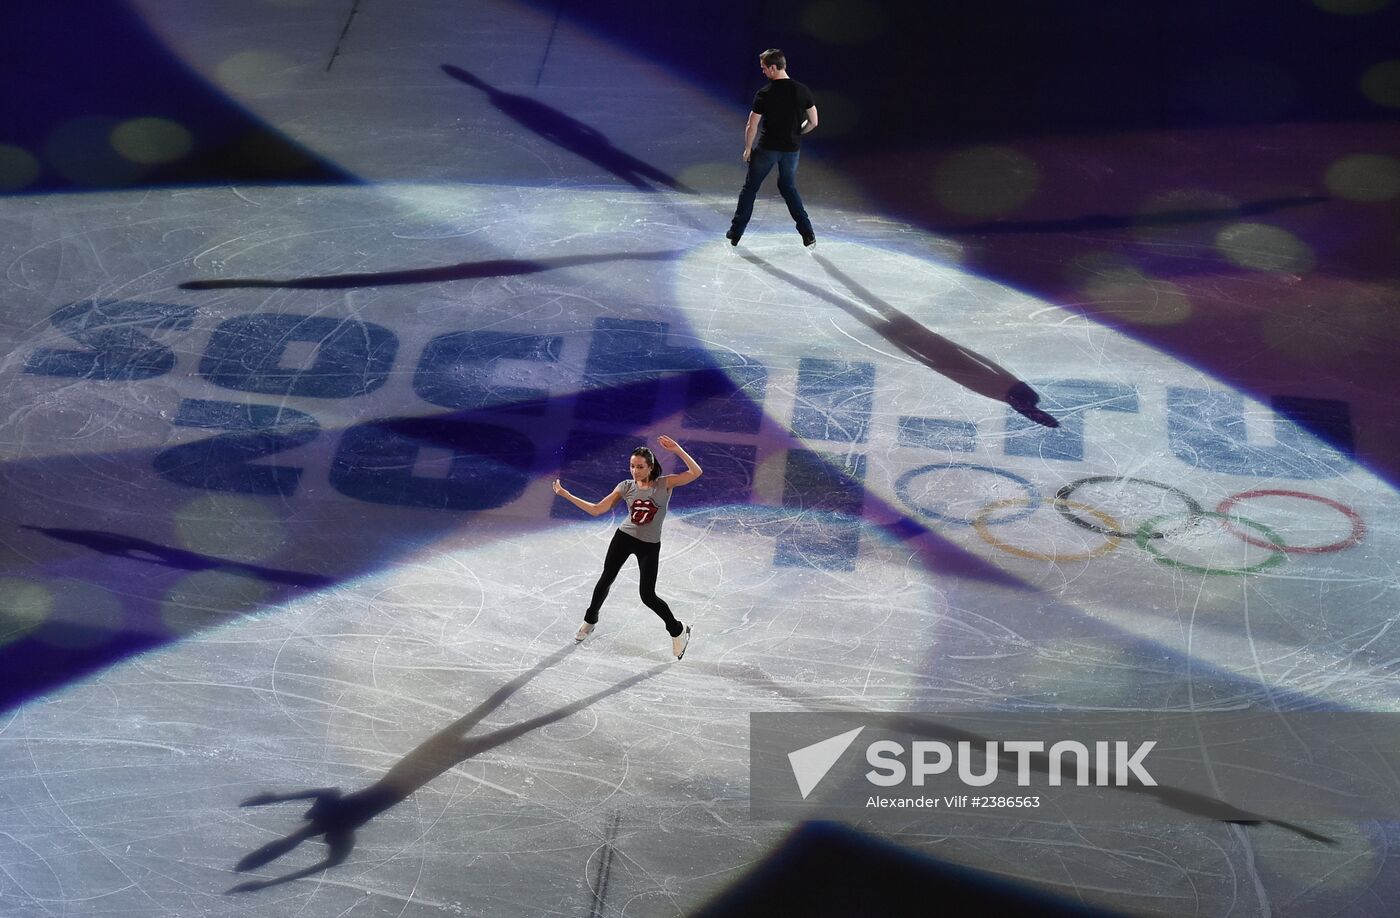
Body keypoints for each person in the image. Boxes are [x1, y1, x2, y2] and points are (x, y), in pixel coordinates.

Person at [553, 436, 703, 659]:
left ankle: (678, 630)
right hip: (624, 537)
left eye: (640, 467)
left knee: (647, 595)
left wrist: (678, 449)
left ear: (650, 467)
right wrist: (566, 495)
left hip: (649, 546)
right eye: (632, 466)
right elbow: (596, 509)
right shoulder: (625, 487)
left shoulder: (665, 483)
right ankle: (590, 620)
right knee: (606, 579)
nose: (635, 471)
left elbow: (695, 472)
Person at [726, 49, 819, 248]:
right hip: (791, 151)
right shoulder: (802, 90)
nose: (763, 72)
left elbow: (752, 125)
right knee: (788, 188)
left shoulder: (765, 93)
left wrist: (748, 148)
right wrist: (797, 133)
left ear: (773, 68)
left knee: (750, 188)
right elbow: (813, 121)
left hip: (767, 149)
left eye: (764, 68)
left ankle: (736, 233)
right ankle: (807, 233)